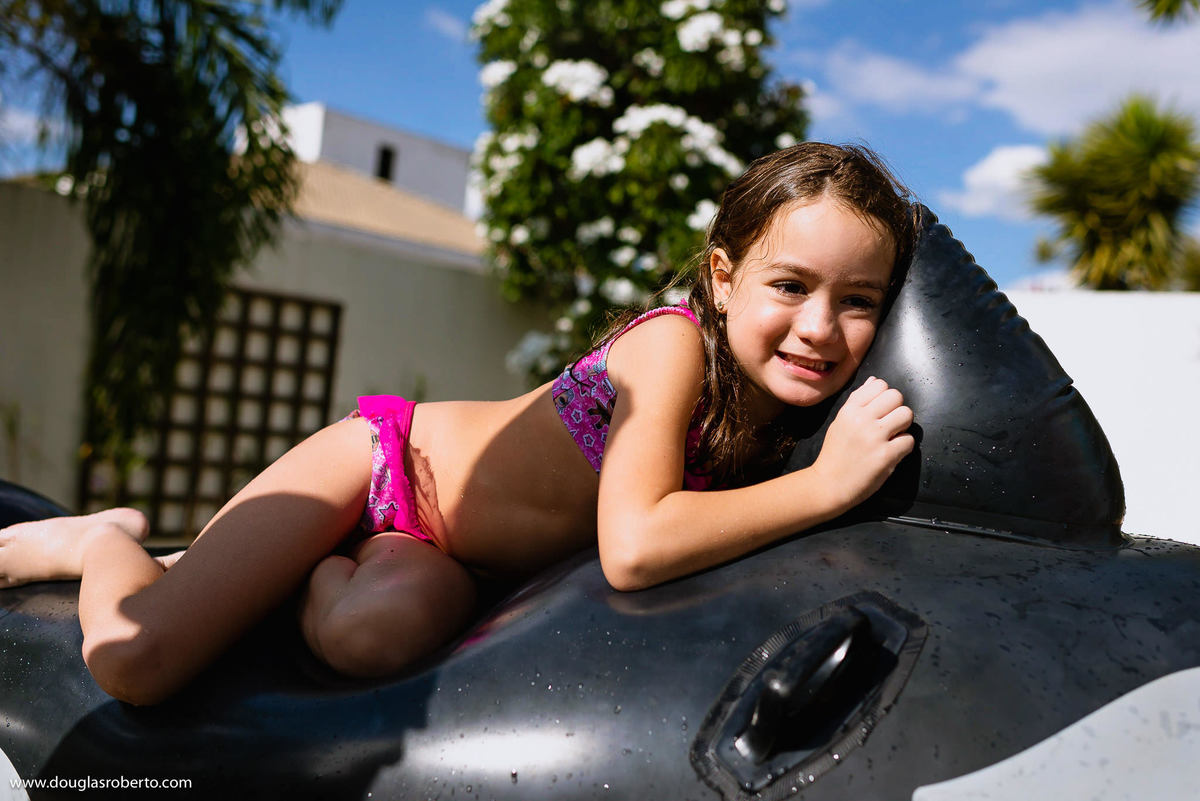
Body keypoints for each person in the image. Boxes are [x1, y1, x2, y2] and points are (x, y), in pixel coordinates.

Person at [0, 142, 917, 705]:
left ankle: (299, 575)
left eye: (859, 301)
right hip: (382, 468)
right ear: (722, 278)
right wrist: (823, 487)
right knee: (140, 660)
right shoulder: (672, 347)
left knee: (372, 641)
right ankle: (99, 542)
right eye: (790, 286)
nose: (818, 328)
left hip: (447, 559)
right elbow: (635, 544)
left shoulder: (786, 418)